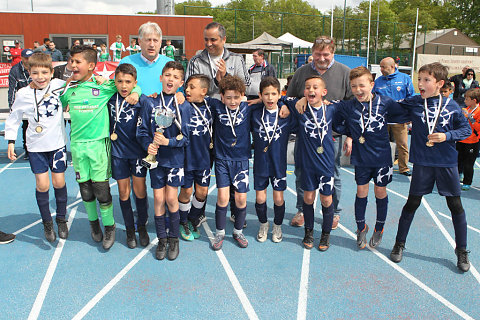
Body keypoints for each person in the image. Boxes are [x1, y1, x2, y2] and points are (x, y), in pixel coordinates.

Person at [389, 62, 472, 273]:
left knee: (455, 206)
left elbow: (466, 130)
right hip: (423, 164)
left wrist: (447, 136)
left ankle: (461, 250)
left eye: (426, 80)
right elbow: (390, 109)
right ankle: (399, 243)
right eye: (419, 80)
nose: (421, 84)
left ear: (439, 83)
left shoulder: (452, 106)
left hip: (446, 164)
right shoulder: (415, 102)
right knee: (412, 203)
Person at [60, 45, 141, 250]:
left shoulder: (104, 87)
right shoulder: (68, 89)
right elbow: (57, 104)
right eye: (71, 61)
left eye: (78, 62)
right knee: (85, 190)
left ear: (91, 66)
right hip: (78, 147)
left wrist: (137, 92)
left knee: (101, 191)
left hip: (99, 145)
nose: (73, 65)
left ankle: (109, 226)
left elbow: (130, 86)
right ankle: (93, 223)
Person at [335, 67, 407, 249]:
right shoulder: (348, 105)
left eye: (362, 85)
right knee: (361, 192)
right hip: (361, 157)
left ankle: (379, 229)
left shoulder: (386, 102)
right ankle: (361, 227)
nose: (358, 90)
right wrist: (350, 133)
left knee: (380, 192)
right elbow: (333, 116)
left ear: (372, 85)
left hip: (382, 157)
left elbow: (404, 112)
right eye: (354, 86)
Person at [287, 36, 352, 229]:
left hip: (332, 136)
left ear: (333, 53)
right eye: (317, 54)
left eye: (326, 54)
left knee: (333, 173)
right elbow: (289, 96)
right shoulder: (302, 72)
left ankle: (334, 212)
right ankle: (302, 209)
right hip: (305, 135)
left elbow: (351, 105)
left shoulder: (344, 73)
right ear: (312, 53)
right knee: (301, 172)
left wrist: (349, 134)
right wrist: (300, 99)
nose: (321, 58)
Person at [5, 52, 68, 243]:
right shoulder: (23, 93)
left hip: (57, 145)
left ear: (51, 72)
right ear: (28, 72)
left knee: (59, 182)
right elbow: (14, 117)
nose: (40, 77)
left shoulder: (58, 86)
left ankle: (61, 219)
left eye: (44, 72)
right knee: (43, 185)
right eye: (35, 73)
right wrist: (10, 141)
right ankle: (47, 222)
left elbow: (78, 78)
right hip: (36, 147)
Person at [136, 61, 190, 261]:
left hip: (175, 160)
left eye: (176, 77)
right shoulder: (149, 102)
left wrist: (168, 141)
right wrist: (147, 145)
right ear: (160, 78)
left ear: (181, 82)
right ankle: (162, 239)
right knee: (158, 199)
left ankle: (174, 239)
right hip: (156, 161)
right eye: (167, 75)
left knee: (171, 199)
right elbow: (141, 130)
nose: (171, 79)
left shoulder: (183, 106)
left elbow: (186, 138)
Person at [285, 76, 343, 251]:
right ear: (304, 92)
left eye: (315, 87)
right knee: (308, 198)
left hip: (325, 164)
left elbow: (352, 104)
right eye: (308, 87)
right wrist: (298, 100)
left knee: (326, 199)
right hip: (307, 164)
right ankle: (308, 231)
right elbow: (278, 98)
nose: (311, 90)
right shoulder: (299, 109)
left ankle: (325, 234)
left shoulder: (331, 109)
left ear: (323, 92)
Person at [108, 63, 150, 248]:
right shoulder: (109, 99)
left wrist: (138, 92)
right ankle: (130, 229)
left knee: (139, 191)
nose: (124, 86)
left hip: (138, 154)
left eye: (128, 82)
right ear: (114, 82)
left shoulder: (142, 101)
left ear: (135, 83)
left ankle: (142, 226)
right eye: (119, 81)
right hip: (118, 154)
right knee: (124, 193)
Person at [251, 77, 295, 243]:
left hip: (278, 165)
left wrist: (284, 102)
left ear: (279, 94)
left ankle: (277, 226)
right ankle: (264, 224)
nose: (270, 98)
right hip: (261, 164)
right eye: (266, 94)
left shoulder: (286, 114)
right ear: (260, 95)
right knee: (260, 198)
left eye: (273, 94)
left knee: (278, 198)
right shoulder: (254, 113)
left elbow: (299, 101)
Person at [178, 74, 213, 241]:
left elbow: (235, 98)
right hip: (185, 159)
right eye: (187, 87)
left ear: (203, 91)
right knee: (186, 191)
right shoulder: (182, 105)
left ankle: (193, 216)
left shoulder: (212, 105)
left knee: (202, 192)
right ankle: (182, 220)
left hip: (204, 159)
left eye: (192, 87)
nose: (187, 90)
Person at [186, 22, 250, 100]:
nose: (209, 44)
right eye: (206, 40)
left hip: (231, 108)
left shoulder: (237, 59)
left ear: (223, 40)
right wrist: (216, 81)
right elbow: (191, 90)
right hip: (205, 109)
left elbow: (246, 87)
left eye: (213, 40)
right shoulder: (195, 62)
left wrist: (226, 77)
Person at [373, 57, 415, 176]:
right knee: (381, 143)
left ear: (392, 67)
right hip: (383, 119)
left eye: (383, 67)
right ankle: (380, 165)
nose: (381, 69)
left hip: (400, 119)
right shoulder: (378, 81)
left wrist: (408, 115)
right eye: (380, 67)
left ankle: (404, 168)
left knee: (402, 145)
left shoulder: (404, 78)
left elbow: (411, 97)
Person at [120, 22, 174, 96]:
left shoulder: (170, 64)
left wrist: (180, 94)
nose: (152, 45)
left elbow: (179, 90)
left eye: (155, 40)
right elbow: (116, 88)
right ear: (139, 41)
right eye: (148, 40)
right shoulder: (126, 62)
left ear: (161, 43)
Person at [8, 48, 33, 159]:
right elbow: (12, 89)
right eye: (26, 58)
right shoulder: (15, 70)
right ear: (22, 58)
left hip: (36, 102)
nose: (29, 60)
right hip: (22, 102)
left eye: (30, 58)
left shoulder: (36, 67)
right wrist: (12, 106)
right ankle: (27, 150)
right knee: (25, 126)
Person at [457, 88, 480, 191]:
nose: (465, 101)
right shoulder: (468, 109)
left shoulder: (478, 111)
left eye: (467, 99)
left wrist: (470, 118)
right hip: (462, 139)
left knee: (468, 163)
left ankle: (467, 182)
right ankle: (458, 175)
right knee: (458, 160)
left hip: (472, 141)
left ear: (474, 100)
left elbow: (478, 128)